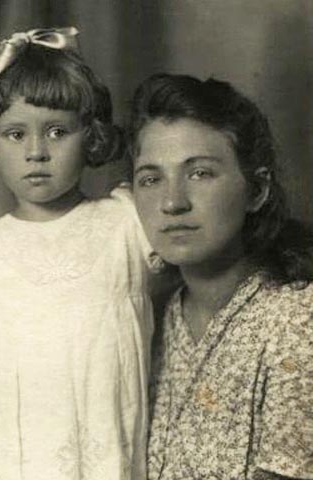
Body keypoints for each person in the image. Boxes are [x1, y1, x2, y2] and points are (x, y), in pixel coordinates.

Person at [0, 28, 158, 480]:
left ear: (90, 136)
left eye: (57, 131)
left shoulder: (127, 222)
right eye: (14, 134)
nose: (36, 152)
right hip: (15, 462)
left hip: (108, 460)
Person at [129, 73, 313, 480]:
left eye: (200, 173)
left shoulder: (297, 318)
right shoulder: (154, 317)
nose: (172, 202)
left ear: (257, 191)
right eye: (151, 179)